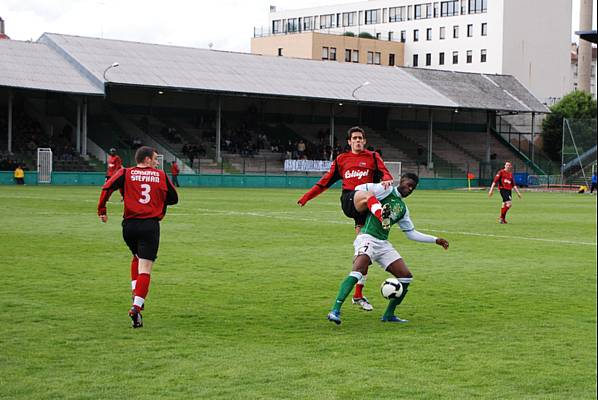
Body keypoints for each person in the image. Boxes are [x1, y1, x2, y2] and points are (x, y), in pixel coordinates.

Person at [326, 173, 449, 325]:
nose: (409, 189)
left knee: (406, 276)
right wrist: (376, 187)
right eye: (407, 184)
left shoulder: (403, 208)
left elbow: (411, 233)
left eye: (412, 188)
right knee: (358, 269)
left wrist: (435, 240)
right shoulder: (384, 190)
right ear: (401, 181)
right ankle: (335, 310)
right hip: (367, 237)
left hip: (383, 243)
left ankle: (389, 315)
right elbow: (359, 189)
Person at [298, 126, 394, 312]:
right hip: (352, 199)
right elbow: (325, 181)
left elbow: (385, 173)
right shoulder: (342, 159)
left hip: (367, 209)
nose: (358, 141)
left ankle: (358, 294)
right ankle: (384, 216)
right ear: (349, 142)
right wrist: (307, 197)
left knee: (364, 254)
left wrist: (388, 178)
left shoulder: (373, 157)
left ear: (364, 141)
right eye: (354, 138)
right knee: (366, 194)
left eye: (360, 138)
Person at [98, 146, 178, 328]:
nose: (158, 162)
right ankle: (136, 307)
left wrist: (102, 209)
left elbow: (107, 186)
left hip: (129, 226)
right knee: (145, 268)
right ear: (147, 160)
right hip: (149, 225)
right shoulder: (161, 175)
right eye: (155, 159)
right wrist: (159, 203)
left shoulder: (125, 172)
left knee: (136, 257)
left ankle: (136, 292)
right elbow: (174, 199)